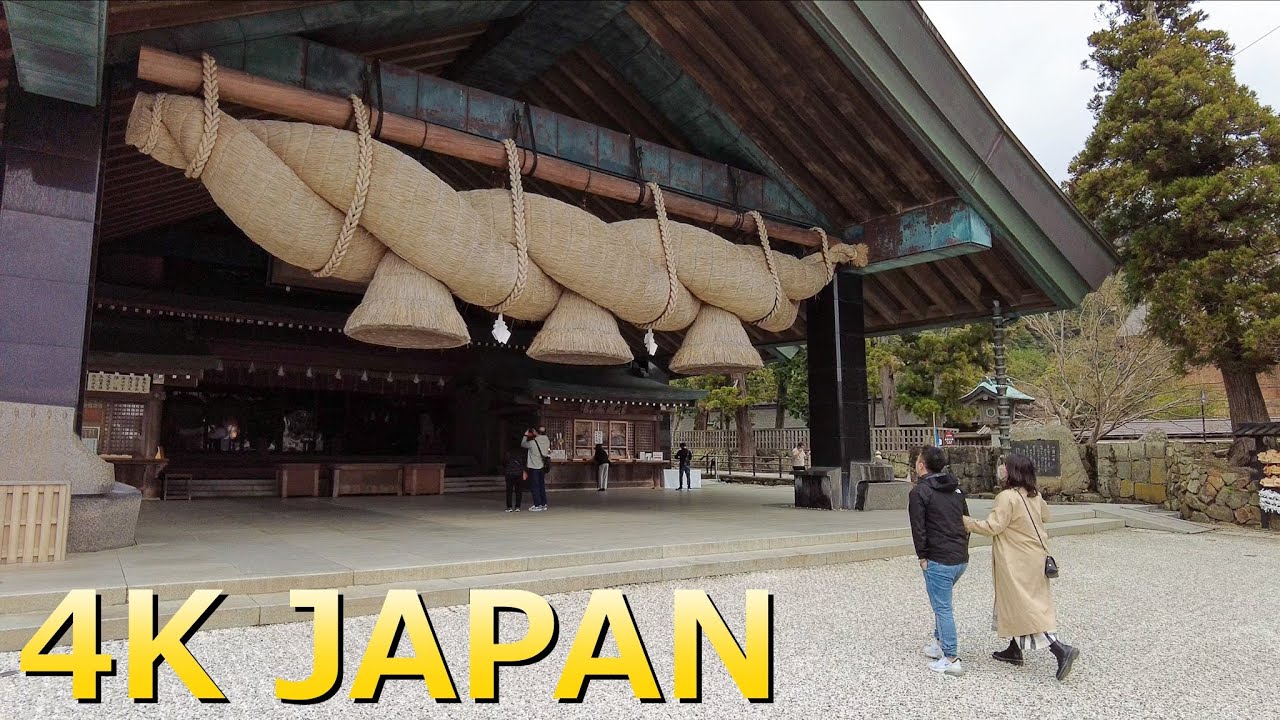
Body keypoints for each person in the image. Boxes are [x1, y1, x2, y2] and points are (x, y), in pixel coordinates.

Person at [964, 454, 1080, 681]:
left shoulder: (1006, 497)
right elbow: (1046, 516)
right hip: (1036, 557)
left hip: (1016, 559)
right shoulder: (1034, 495)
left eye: (1004, 467)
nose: (1001, 470)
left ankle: (1059, 649)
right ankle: (1014, 649)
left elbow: (993, 526)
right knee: (1024, 601)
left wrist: (966, 522)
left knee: (1025, 604)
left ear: (1011, 472)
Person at [908, 446, 970, 677]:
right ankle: (938, 642)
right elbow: (965, 521)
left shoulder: (920, 492)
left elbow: (919, 528)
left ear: (921, 465)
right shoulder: (956, 489)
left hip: (938, 558)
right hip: (959, 557)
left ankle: (951, 657)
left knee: (942, 607)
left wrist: (922, 556)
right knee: (941, 601)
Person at [521, 427, 551, 511]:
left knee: (535, 486)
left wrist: (525, 435)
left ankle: (537, 504)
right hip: (542, 466)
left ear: (535, 432)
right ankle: (543, 503)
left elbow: (523, 444)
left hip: (534, 466)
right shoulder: (547, 440)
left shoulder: (532, 442)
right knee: (541, 485)